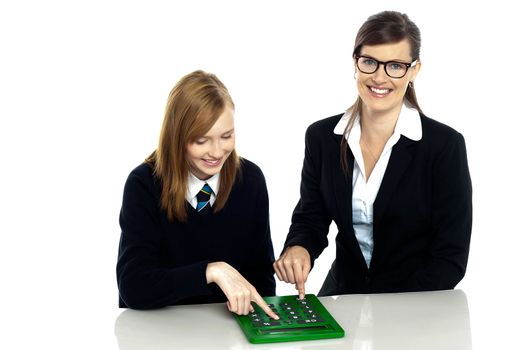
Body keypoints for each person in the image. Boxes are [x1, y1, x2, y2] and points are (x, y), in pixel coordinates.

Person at [273, 11, 472, 299]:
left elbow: (450, 258)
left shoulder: (444, 146)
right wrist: (298, 248)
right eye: (369, 62)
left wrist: (388, 312)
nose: (379, 77)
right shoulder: (322, 138)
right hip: (344, 295)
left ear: (414, 70)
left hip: (414, 304)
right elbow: (311, 217)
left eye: (395, 66)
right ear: (355, 63)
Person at [117, 70, 278, 319]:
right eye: (201, 140)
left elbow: (261, 279)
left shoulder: (250, 180)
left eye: (226, 136)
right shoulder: (144, 184)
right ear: (177, 137)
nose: (217, 152)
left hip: (225, 330)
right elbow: (134, 286)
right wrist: (211, 271)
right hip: (159, 329)